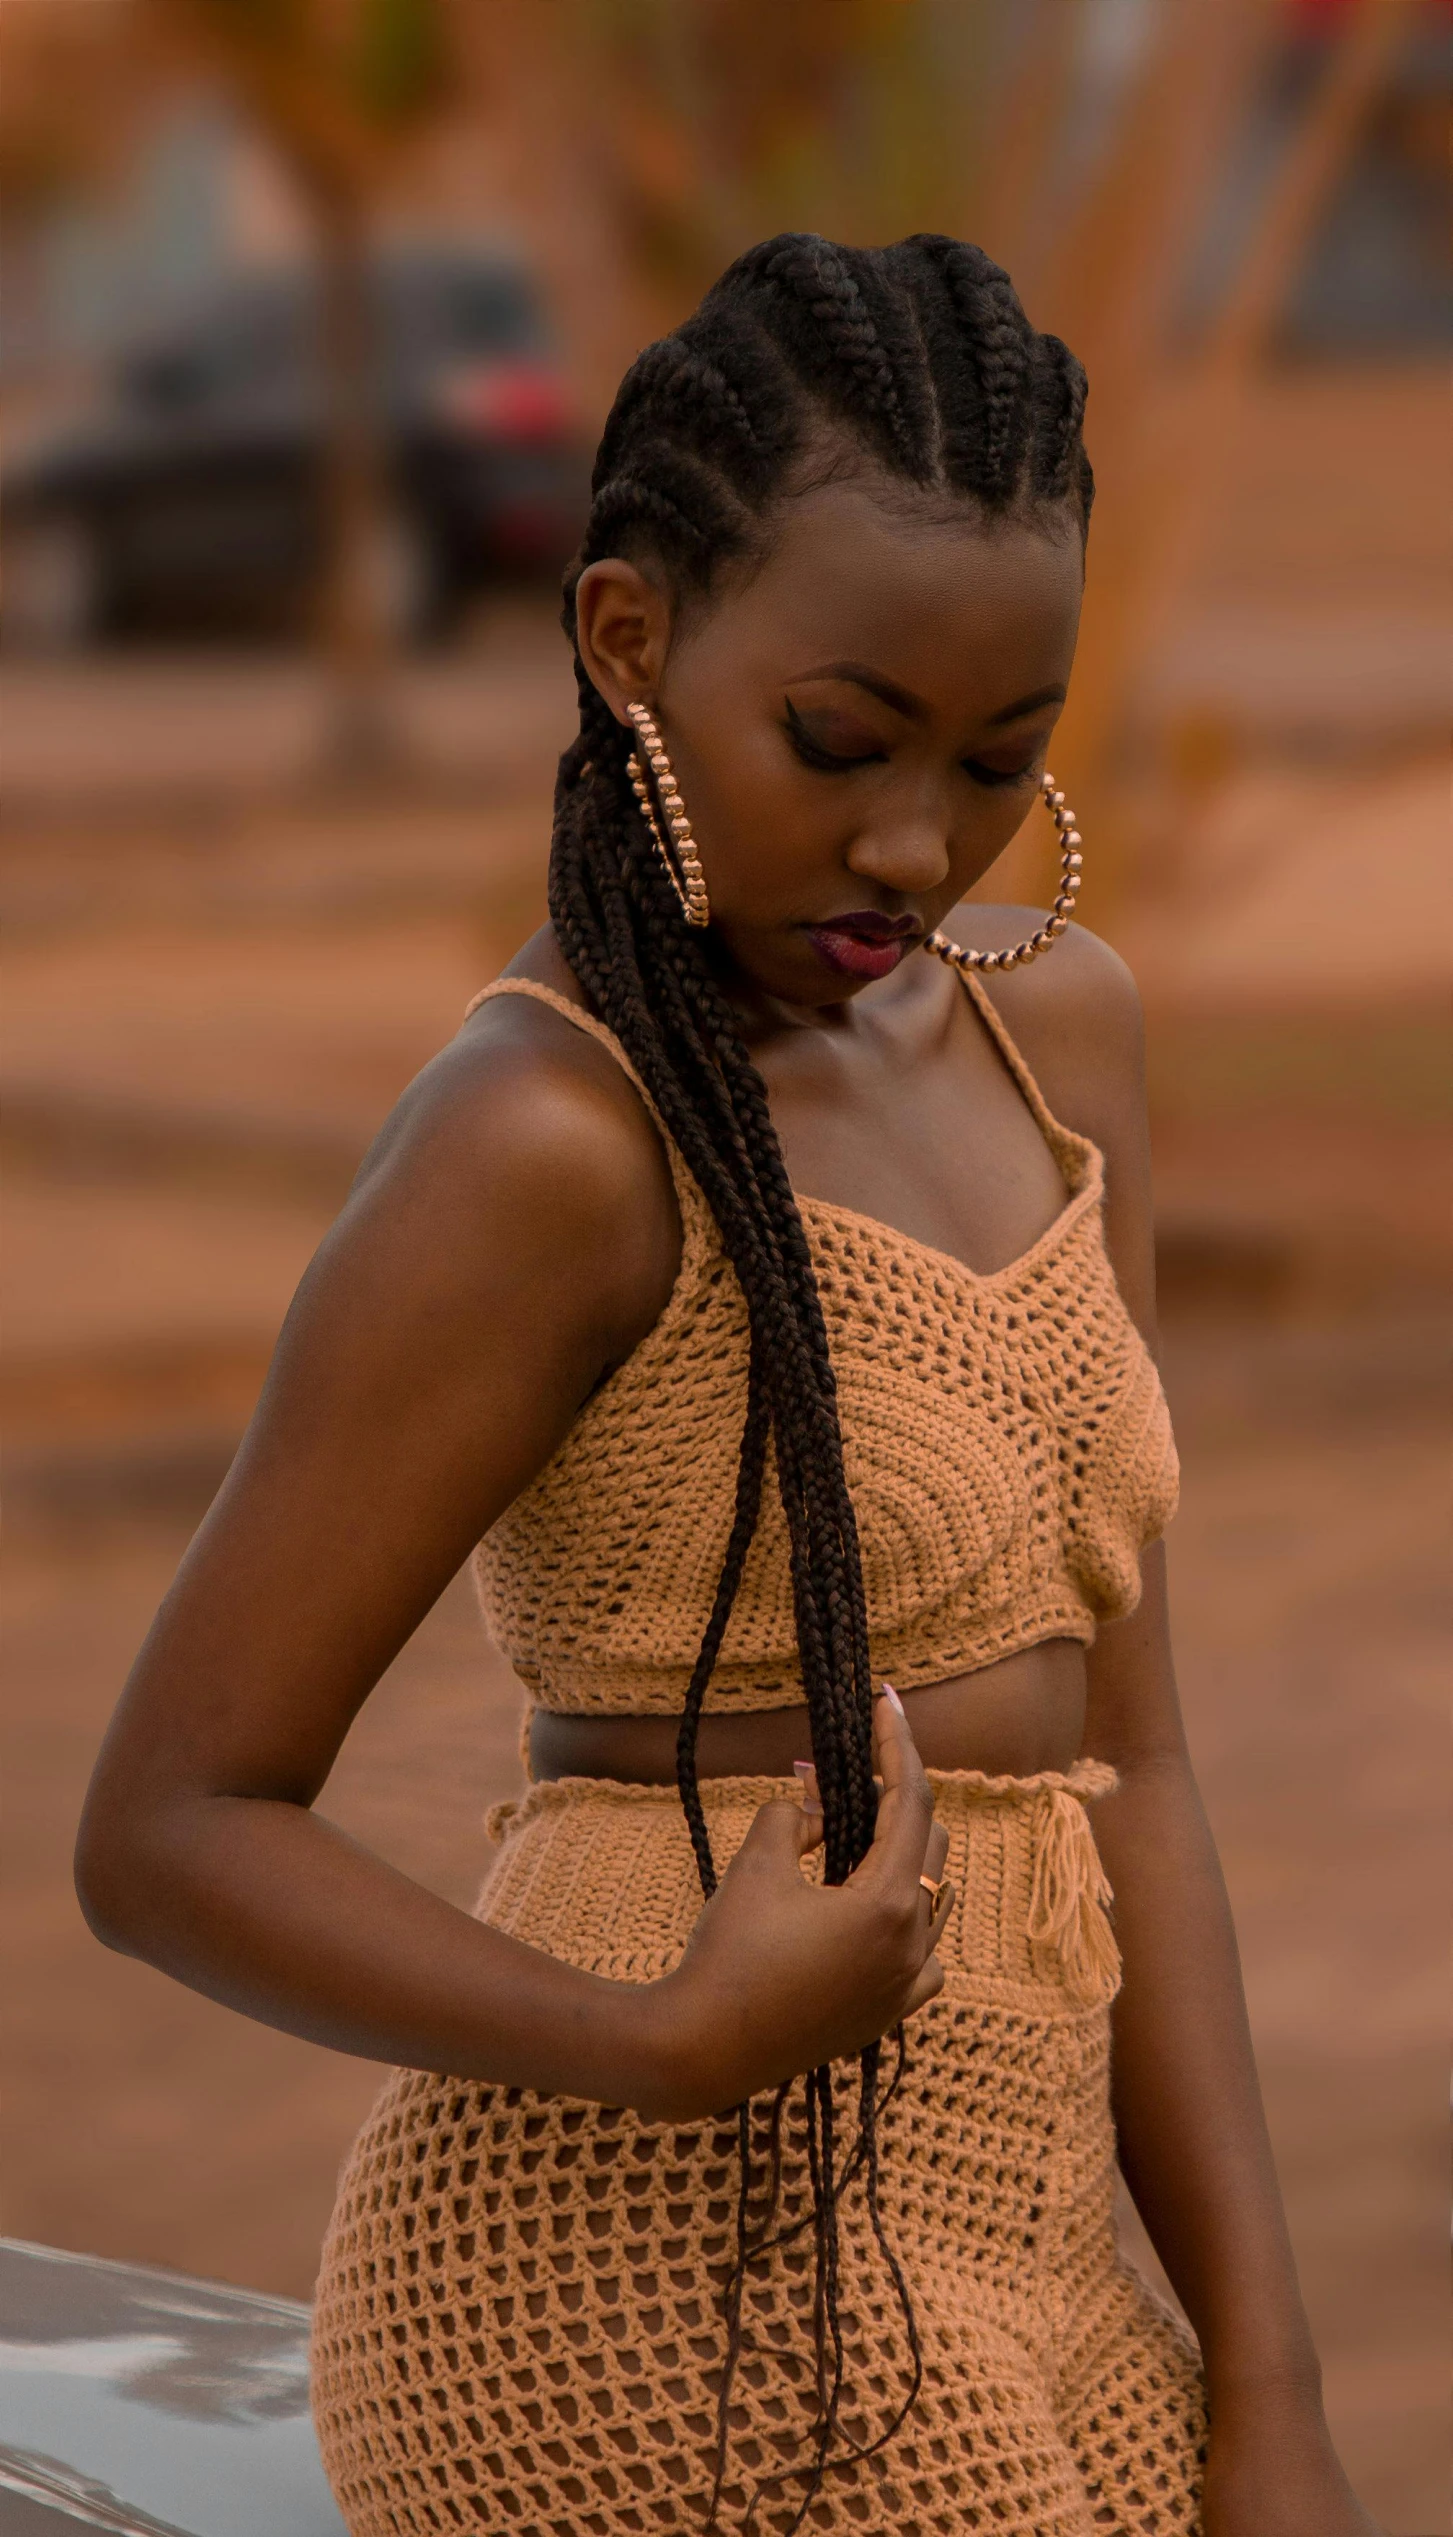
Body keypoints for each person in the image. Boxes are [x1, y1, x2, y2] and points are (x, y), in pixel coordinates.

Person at [75, 235, 1377, 2537]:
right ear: (629, 641)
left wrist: (1269, 2388)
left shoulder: (1054, 1031)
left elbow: (1137, 1767)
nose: (912, 847)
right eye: (844, 743)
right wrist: (666, 2040)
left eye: (1002, 757)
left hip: (1021, 2239)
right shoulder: (545, 1143)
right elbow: (169, 1823)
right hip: (629, 2278)